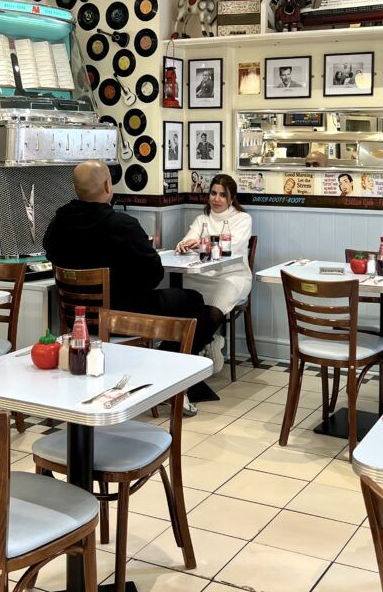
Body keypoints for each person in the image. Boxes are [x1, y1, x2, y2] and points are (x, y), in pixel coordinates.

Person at [43, 161, 220, 415]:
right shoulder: (122, 225)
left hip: (77, 320)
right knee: (193, 301)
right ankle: (167, 376)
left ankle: (162, 373)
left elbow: (51, 252)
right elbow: (154, 274)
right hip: (123, 317)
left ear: (75, 188)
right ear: (108, 185)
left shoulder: (59, 222)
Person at [175, 174, 253, 374]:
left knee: (214, 307)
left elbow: (231, 247)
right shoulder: (201, 219)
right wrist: (185, 245)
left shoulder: (242, 219)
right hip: (201, 275)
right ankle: (205, 342)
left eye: (222, 195)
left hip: (233, 276)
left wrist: (200, 244)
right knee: (183, 300)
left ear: (231, 198)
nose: (217, 199)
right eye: (213, 193)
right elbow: (188, 240)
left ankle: (193, 349)